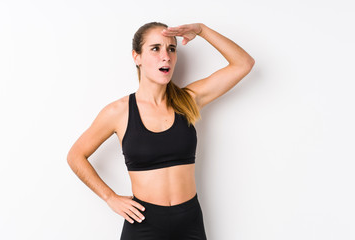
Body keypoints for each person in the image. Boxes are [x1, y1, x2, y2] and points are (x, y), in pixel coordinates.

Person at [67, 22, 255, 240]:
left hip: (190, 221)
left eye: (171, 49)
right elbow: (75, 156)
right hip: (143, 222)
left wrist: (202, 30)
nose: (165, 56)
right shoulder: (118, 112)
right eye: (155, 48)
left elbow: (244, 64)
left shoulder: (189, 100)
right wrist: (110, 197)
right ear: (136, 57)